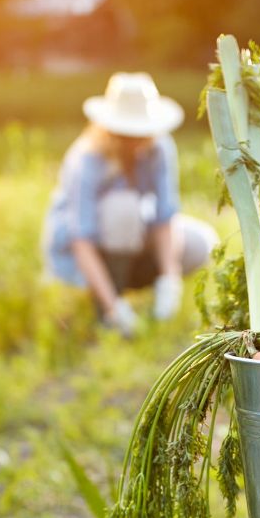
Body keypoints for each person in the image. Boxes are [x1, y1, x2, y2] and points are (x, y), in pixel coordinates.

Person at [43, 72, 219, 336]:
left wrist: (169, 279)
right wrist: (113, 306)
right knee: (122, 209)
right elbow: (82, 240)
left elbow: (165, 216)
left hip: (131, 238)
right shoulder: (87, 159)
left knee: (201, 242)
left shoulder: (159, 148)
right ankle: (108, 305)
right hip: (82, 255)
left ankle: (147, 298)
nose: (136, 140)